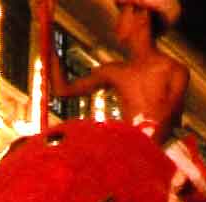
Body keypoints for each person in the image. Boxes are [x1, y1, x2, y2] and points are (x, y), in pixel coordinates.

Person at [49, 0, 188, 145]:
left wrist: (147, 154)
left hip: (166, 156)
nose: (117, 20)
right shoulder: (114, 72)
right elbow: (62, 89)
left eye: (123, 13)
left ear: (143, 16)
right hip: (136, 152)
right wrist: (46, 24)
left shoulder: (174, 70)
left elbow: (170, 119)